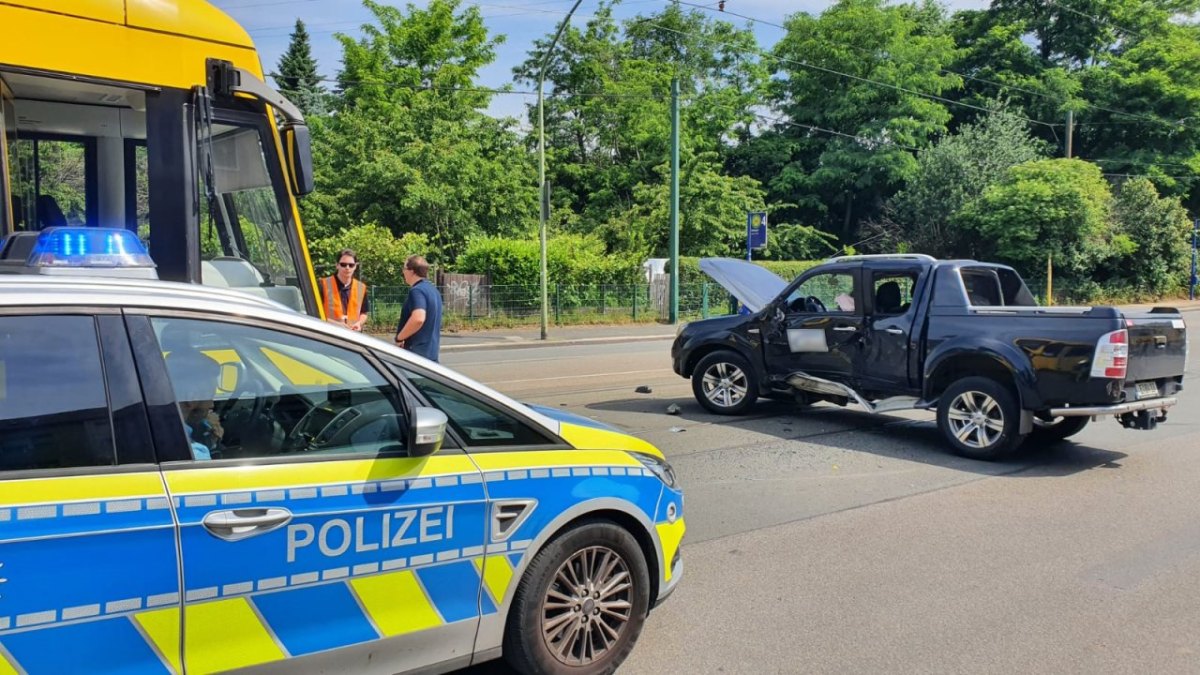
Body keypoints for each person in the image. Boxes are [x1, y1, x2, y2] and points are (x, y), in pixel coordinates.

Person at [165, 352, 224, 461]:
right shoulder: (197, 455)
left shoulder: (155, 428)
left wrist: (211, 440)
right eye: (210, 396)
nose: (212, 404)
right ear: (192, 397)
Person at [395, 254, 443, 362]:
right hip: (431, 354)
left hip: (416, 356)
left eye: (404, 268)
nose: (403, 272)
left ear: (411, 271)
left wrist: (400, 337)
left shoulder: (417, 291)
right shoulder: (433, 290)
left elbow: (418, 318)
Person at [320, 249, 370, 331]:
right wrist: (335, 324)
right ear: (337, 265)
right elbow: (315, 313)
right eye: (343, 264)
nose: (347, 268)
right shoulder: (323, 284)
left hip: (353, 335)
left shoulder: (361, 287)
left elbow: (364, 313)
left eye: (351, 265)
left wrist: (359, 323)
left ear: (355, 266)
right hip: (329, 335)